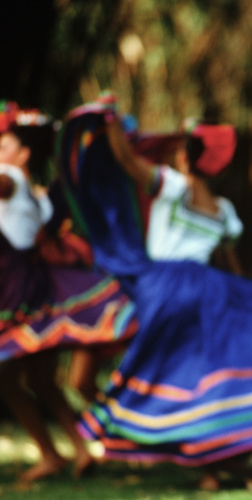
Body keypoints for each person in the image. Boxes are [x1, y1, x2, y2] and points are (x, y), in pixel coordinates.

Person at [58, 97, 252, 490]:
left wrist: (110, 122)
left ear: (184, 159)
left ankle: (178, 451)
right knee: (211, 378)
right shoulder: (223, 209)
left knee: (173, 373)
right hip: (212, 291)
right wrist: (251, 302)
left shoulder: (173, 186)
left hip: (165, 286)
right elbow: (232, 267)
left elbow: (127, 164)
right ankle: (219, 464)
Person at [0, 104, 138, 482]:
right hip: (33, 285)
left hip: (14, 289)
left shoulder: (8, 177)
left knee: (10, 379)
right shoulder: (37, 193)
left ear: (23, 154)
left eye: (3, 145)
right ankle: (73, 451)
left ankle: (53, 452)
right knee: (38, 380)